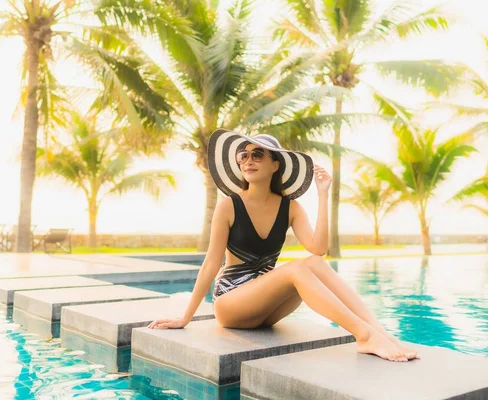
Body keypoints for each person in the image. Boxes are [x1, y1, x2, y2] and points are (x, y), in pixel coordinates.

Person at [147, 129, 419, 362]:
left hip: (266, 310)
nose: (248, 160)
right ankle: (365, 336)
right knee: (297, 269)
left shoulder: (290, 208)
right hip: (231, 303)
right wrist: (185, 317)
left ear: (275, 164)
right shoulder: (229, 205)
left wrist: (322, 195)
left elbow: (318, 248)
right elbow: (210, 264)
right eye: (244, 155)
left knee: (312, 263)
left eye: (257, 155)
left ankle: (382, 333)